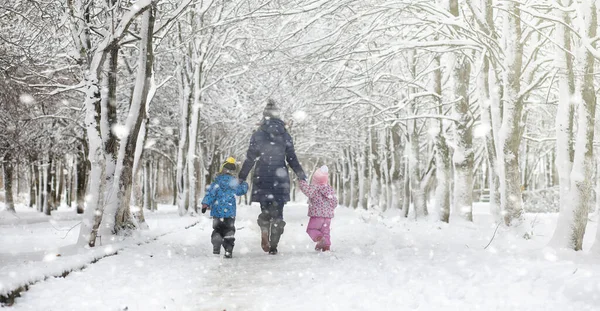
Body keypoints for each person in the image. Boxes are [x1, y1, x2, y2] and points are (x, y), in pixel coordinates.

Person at [238, 99, 307, 255]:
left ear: (264, 116)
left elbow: (250, 158)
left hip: (262, 175)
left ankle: (264, 228)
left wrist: (241, 177)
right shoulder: (285, 134)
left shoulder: (257, 134)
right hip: (280, 177)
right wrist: (301, 175)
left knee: (265, 208)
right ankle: (274, 244)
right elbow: (291, 158)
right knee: (278, 211)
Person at [201, 157, 249, 258]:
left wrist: (205, 204)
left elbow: (210, 194)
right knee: (229, 229)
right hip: (230, 212)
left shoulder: (216, 182)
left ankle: (216, 242)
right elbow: (241, 191)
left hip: (217, 212)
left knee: (217, 229)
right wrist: (244, 183)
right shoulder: (234, 182)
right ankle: (228, 248)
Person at [298, 165, 338, 251]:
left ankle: (320, 240)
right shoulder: (329, 190)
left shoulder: (314, 189)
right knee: (326, 231)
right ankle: (326, 246)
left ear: (315, 179)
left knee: (311, 229)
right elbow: (335, 202)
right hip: (327, 217)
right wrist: (329, 209)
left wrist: (301, 181)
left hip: (317, 215)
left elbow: (306, 189)